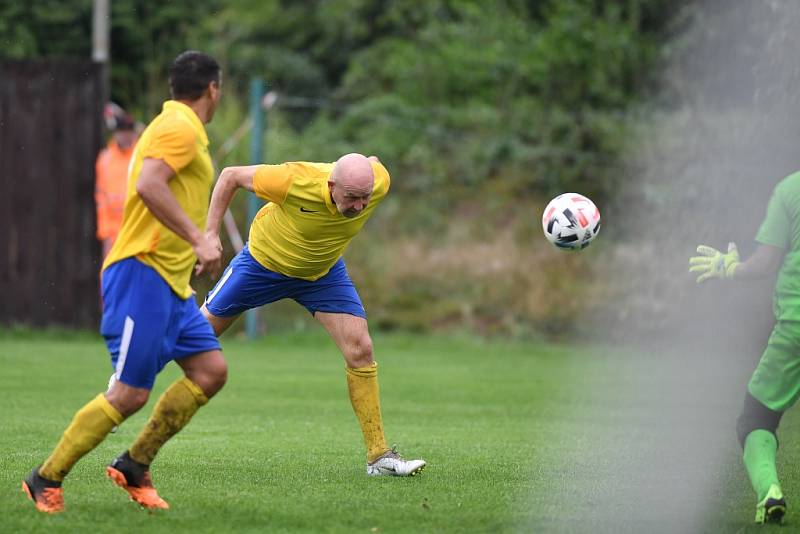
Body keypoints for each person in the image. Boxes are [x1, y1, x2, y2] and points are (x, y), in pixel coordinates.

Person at [22, 50, 226, 514]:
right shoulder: (178, 127)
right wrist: (197, 238)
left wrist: (190, 248)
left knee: (210, 372)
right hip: (141, 274)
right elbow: (149, 185)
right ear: (213, 89)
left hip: (170, 284)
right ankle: (44, 478)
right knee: (130, 391)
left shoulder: (176, 125)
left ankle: (135, 465)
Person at [201, 153, 426, 477]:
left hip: (322, 273)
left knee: (360, 349)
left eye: (365, 198)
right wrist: (210, 234)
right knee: (198, 334)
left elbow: (374, 162)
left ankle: (379, 458)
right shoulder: (295, 180)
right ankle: (128, 382)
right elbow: (230, 175)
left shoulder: (379, 181)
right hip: (263, 264)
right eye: (351, 198)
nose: (360, 207)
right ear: (331, 185)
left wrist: (364, 184)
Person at [688, 172, 800, 524]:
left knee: (755, 418)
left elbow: (764, 265)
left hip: (796, 329)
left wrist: (729, 267)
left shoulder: (790, 189)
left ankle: (770, 492)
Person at [95, 108, 138, 259]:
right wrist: (105, 233)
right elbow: (101, 199)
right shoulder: (105, 159)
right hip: (113, 234)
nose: (126, 136)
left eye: (129, 131)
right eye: (122, 132)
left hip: (137, 232)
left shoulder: (141, 155)